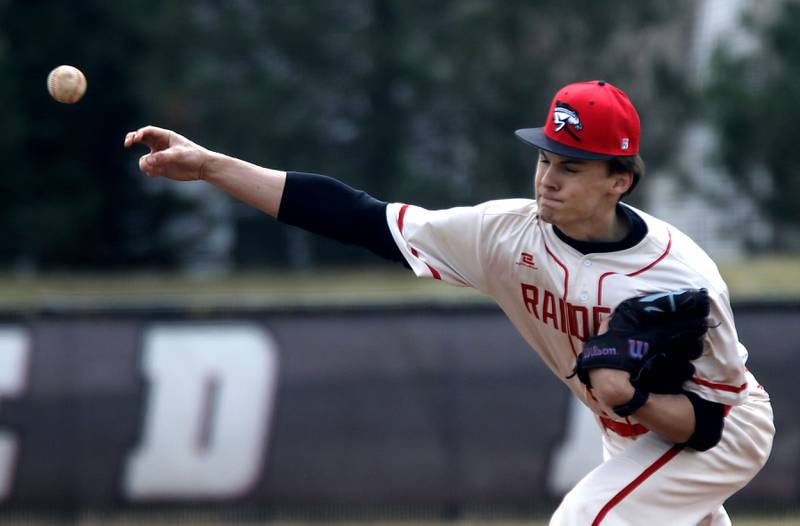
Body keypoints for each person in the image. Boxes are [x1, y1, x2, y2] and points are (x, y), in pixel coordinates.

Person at [125, 80, 774, 525]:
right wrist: (211, 166)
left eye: (571, 167)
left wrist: (626, 394)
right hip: (626, 433)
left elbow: (711, 423)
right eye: (546, 157)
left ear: (620, 181)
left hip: (716, 426)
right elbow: (359, 218)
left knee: (586, 518)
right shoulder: (505, 235)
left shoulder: (677, 278)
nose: (547, 178)